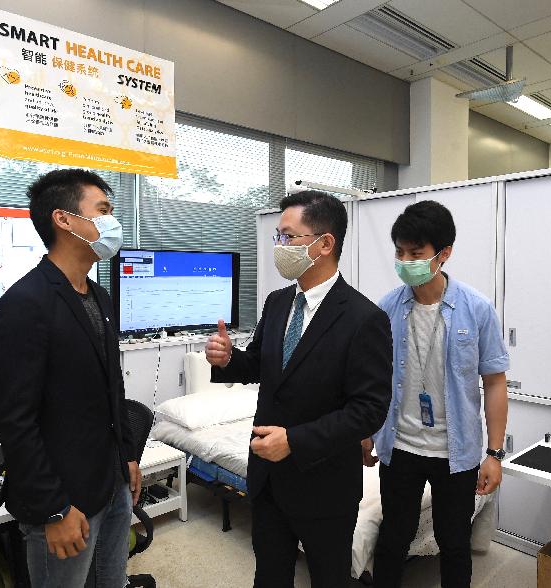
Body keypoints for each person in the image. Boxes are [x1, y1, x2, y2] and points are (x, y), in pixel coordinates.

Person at [205, 190, 393, 587]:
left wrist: (295, 440)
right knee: (269, 577)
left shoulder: (364, 318)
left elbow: (368, 410)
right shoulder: (276, 303)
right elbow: (259, 364)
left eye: (289, 237)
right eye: (278, 236)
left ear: (325, 244)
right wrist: (227, 360)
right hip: (269, 478)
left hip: (324, 485)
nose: (279, 247)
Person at [0, 168, 140, 588]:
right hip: (64, 498)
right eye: (103, 210)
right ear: (64, 219)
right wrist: (53, 508)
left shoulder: (99, 295)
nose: (113, 221)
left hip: (111, 483)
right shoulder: (24, 304)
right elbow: (13, 420)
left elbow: (113, 388)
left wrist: (127, 456)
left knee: (113, 581)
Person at [363, 200, 509, 588]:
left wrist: (494, 454)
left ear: (444, 253)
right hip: (401, 446)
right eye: (399, 252)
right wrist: (366, 431)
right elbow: (374, 379)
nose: (404, 260)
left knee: (455, 543)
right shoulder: (388, 308)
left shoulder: (476, 309)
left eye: (416, 253)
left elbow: (495, 382)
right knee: (393, 538)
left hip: (455, 453)